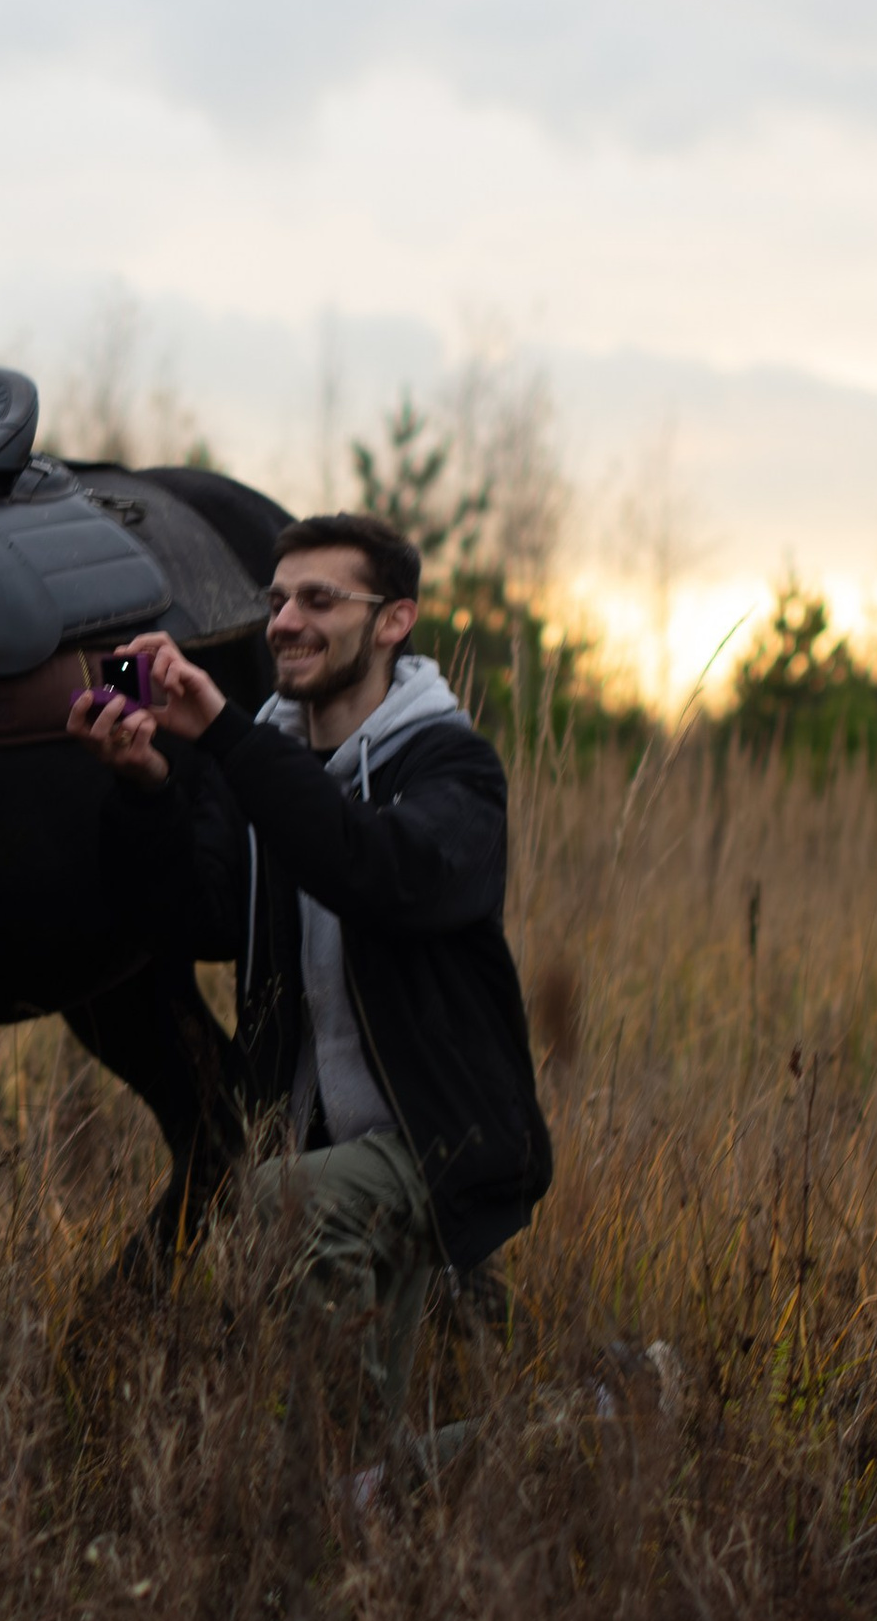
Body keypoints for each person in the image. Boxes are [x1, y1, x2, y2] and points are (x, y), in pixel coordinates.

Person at [67, 512, 552, 1441]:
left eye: (320, 599)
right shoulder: (260, 762)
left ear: (394, 621)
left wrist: (225, 738)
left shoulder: (454, 768)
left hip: (438, 1140)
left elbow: (375, 871)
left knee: (286, 1218)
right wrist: (146, 789)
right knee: (344, 1463)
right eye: (277, 599)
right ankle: (587, 1418)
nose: (286, 619)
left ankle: (351, 1500)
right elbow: (190, 920)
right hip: (313, 1144)